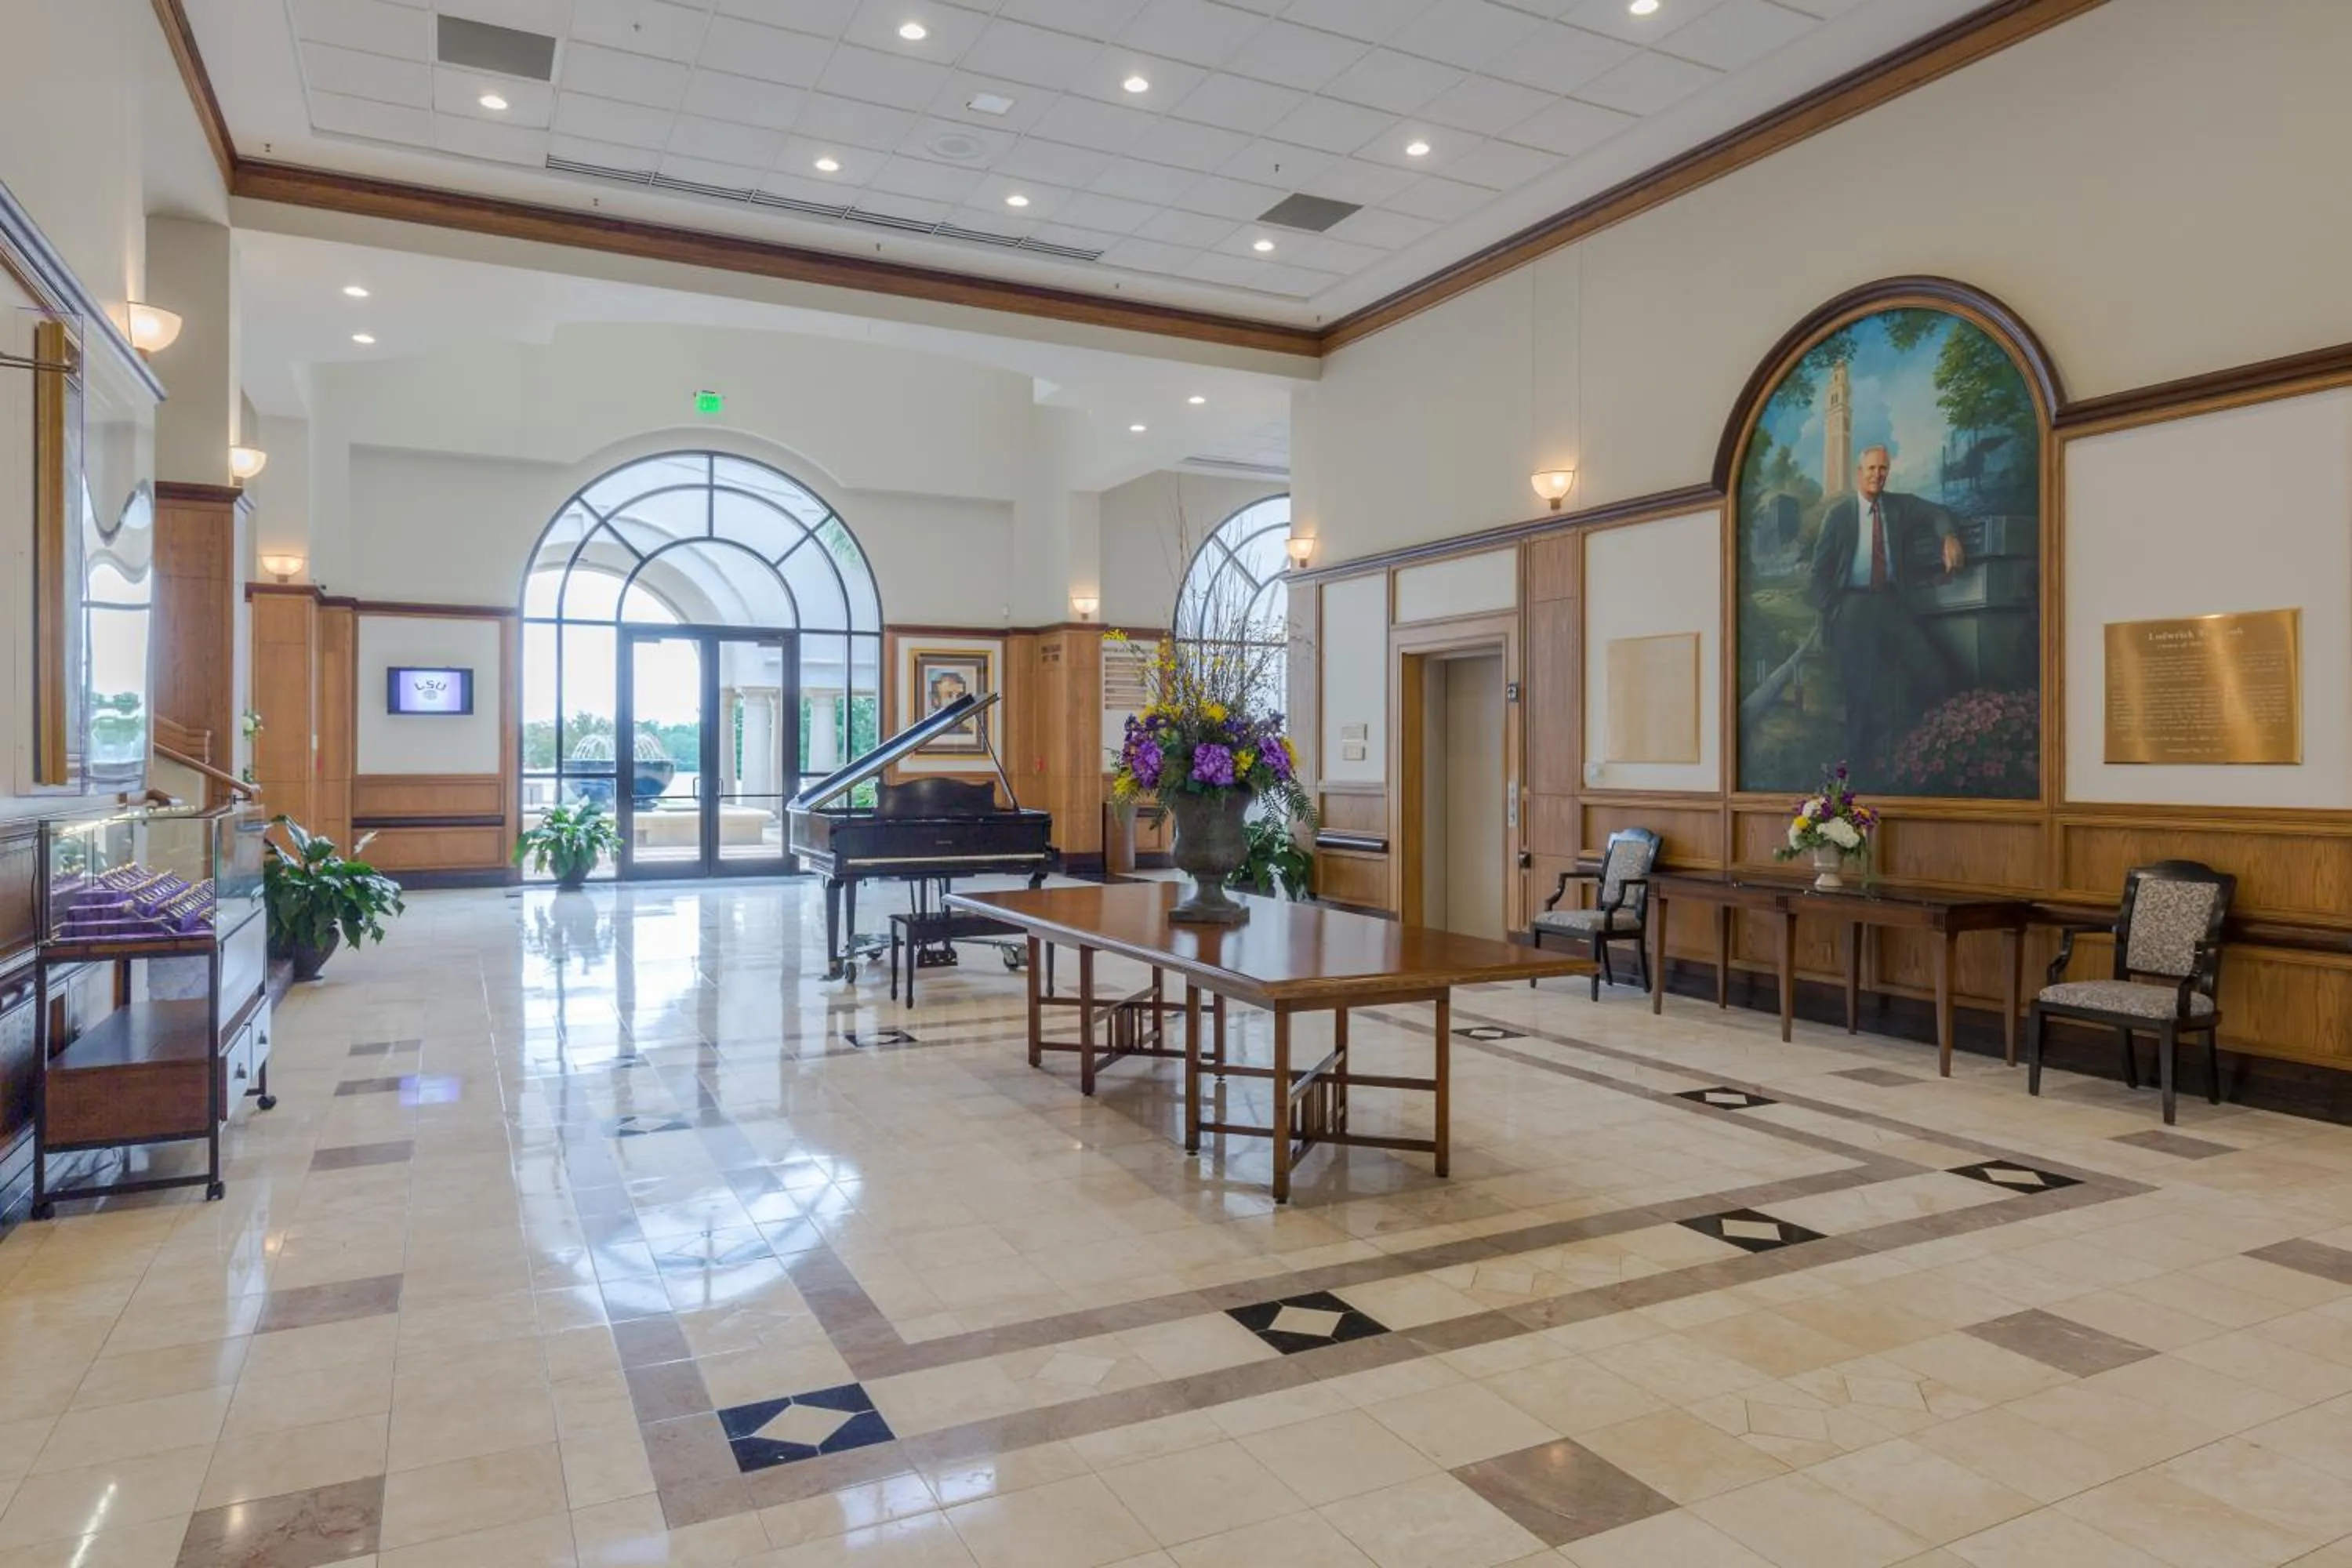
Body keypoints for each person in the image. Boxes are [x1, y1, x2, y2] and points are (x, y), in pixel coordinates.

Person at [1805, 445, 1964, 779]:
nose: (1877, 474)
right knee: (1860, 693)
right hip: (1851, 605)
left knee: (1934, 672)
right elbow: (1818, 576)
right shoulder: (1838, 516)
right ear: (1858, 472)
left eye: (1883, 469)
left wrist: (1948, 536)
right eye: (1871, 468)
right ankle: (1856, 779)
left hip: (1892, 604)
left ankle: (1918, 759)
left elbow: (1936, 513)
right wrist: (1835, 610)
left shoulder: (1899, 506)